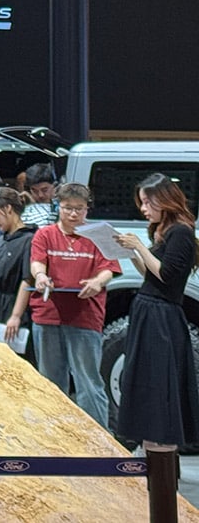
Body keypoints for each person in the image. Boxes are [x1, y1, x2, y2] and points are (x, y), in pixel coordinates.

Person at [112, 174, 199, 455]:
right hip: (149, 310)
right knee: (145, 382)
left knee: (160, 384)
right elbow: (150, 275)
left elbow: (167, 275)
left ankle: (162, 458)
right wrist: (132, 254)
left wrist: (139, 246)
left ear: (165, 200)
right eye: (141, 202)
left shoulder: (181, 232)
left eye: (148, 202)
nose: (143, 209)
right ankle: (149, 448)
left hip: (162, 317)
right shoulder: (162, 231)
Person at [29, 182, 118, 427]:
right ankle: (55, 433)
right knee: (50, 381)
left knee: (88, 381)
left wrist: (97, 282)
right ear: (58, 207)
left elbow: (109, 268)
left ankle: (97, 436)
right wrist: (40, 276)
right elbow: (37, 262)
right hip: (48, 315)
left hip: (85, 316)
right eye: (67, 208)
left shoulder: (98, 235)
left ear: (87, 209)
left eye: (79, 208)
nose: (73, 214)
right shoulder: (44, 234)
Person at [0, 187, 39, 360]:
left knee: (15, 358)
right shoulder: (2, 238)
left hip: (14, 304)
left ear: (7, 208)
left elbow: (27, 280)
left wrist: (16, 316)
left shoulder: (29, 239)